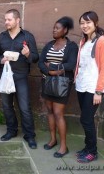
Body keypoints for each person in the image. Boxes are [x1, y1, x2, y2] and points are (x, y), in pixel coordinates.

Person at [0, 9, 39, 149]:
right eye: (5, 19)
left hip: (21, 77)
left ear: (17, 20)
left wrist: (28, 53)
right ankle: (11, 131)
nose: (6, 22)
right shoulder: (1, 37)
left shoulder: (28, 37)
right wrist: (1, 60)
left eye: (9, 19)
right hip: (5, 76)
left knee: (24, 107)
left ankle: (29, 135)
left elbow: (36, 58)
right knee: (7, 106)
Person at [38, 16, 78, 157]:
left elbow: (71, 65)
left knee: (58, 113)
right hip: (47, 82)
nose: (54, 30)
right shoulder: (49, 44)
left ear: (65, 30)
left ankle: (63, 146)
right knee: (49, 111)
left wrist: (54, 67)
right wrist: (48, 71)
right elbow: (41, 61)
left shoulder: (72, 46)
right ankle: (53, 139)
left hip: (62, 85)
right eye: (53, 28)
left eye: (57, 28)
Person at [74, 11, 104, 163]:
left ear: (96, 23)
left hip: (93, 88)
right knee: (86, 119)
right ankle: (87, 147)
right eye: (82, 23)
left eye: (88, 22)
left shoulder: (103, 42)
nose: (84, 26)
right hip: (81, 86)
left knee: (86, 119)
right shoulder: (83, 41)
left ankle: (92, 152)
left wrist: (98, 91)